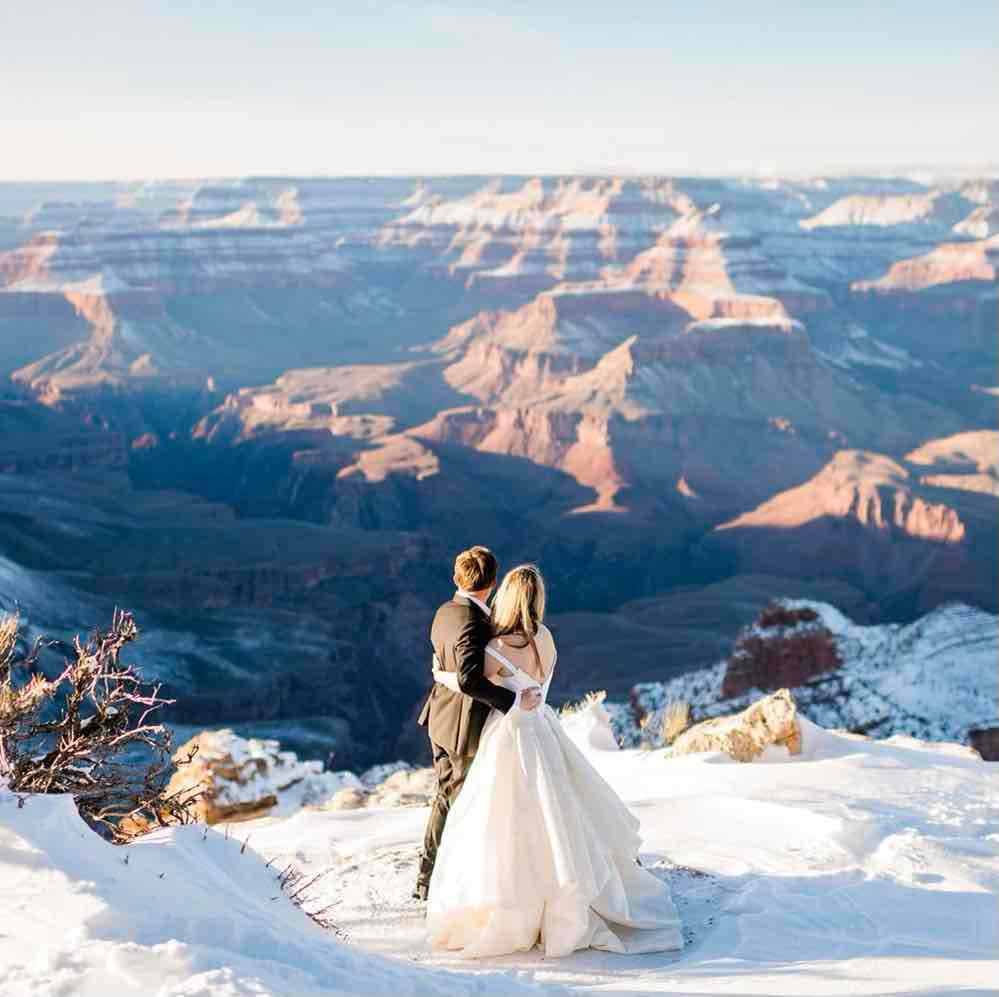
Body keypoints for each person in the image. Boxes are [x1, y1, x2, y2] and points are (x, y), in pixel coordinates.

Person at [425, 564, 683, 958]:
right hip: (543, 729)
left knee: (503, 819)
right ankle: (566, 895)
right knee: (559, 813)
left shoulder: (495, 650)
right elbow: (534, 686)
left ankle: (514, 903)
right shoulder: (546, 639)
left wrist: (441, 675)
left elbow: (469, 682)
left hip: (509, 736)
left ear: (505, 599)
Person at [413, 546, 542, 901]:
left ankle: (428, 875)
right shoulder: (476, 623)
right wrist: (514, 701)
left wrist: (442, 675)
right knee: (461, 804)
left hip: (438, 716)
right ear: (493, 582)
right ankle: (437, 882)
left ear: (458, 578)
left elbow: (447, 663)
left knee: (444, 797)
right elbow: (470, 680)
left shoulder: (445, 611)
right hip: (462, 727)